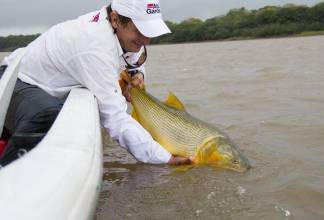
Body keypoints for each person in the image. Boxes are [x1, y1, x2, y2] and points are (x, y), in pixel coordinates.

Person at [0, 0, 192, 166]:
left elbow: (135, 55)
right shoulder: (95, 47)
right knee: (48, 115)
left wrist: (137, 74)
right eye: (139, 31)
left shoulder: (118, 30)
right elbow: (115, 118)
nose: (146, 40)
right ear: (116, 19)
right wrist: (164, 158)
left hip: (32, 85)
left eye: (150, 33)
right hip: (13, 80)